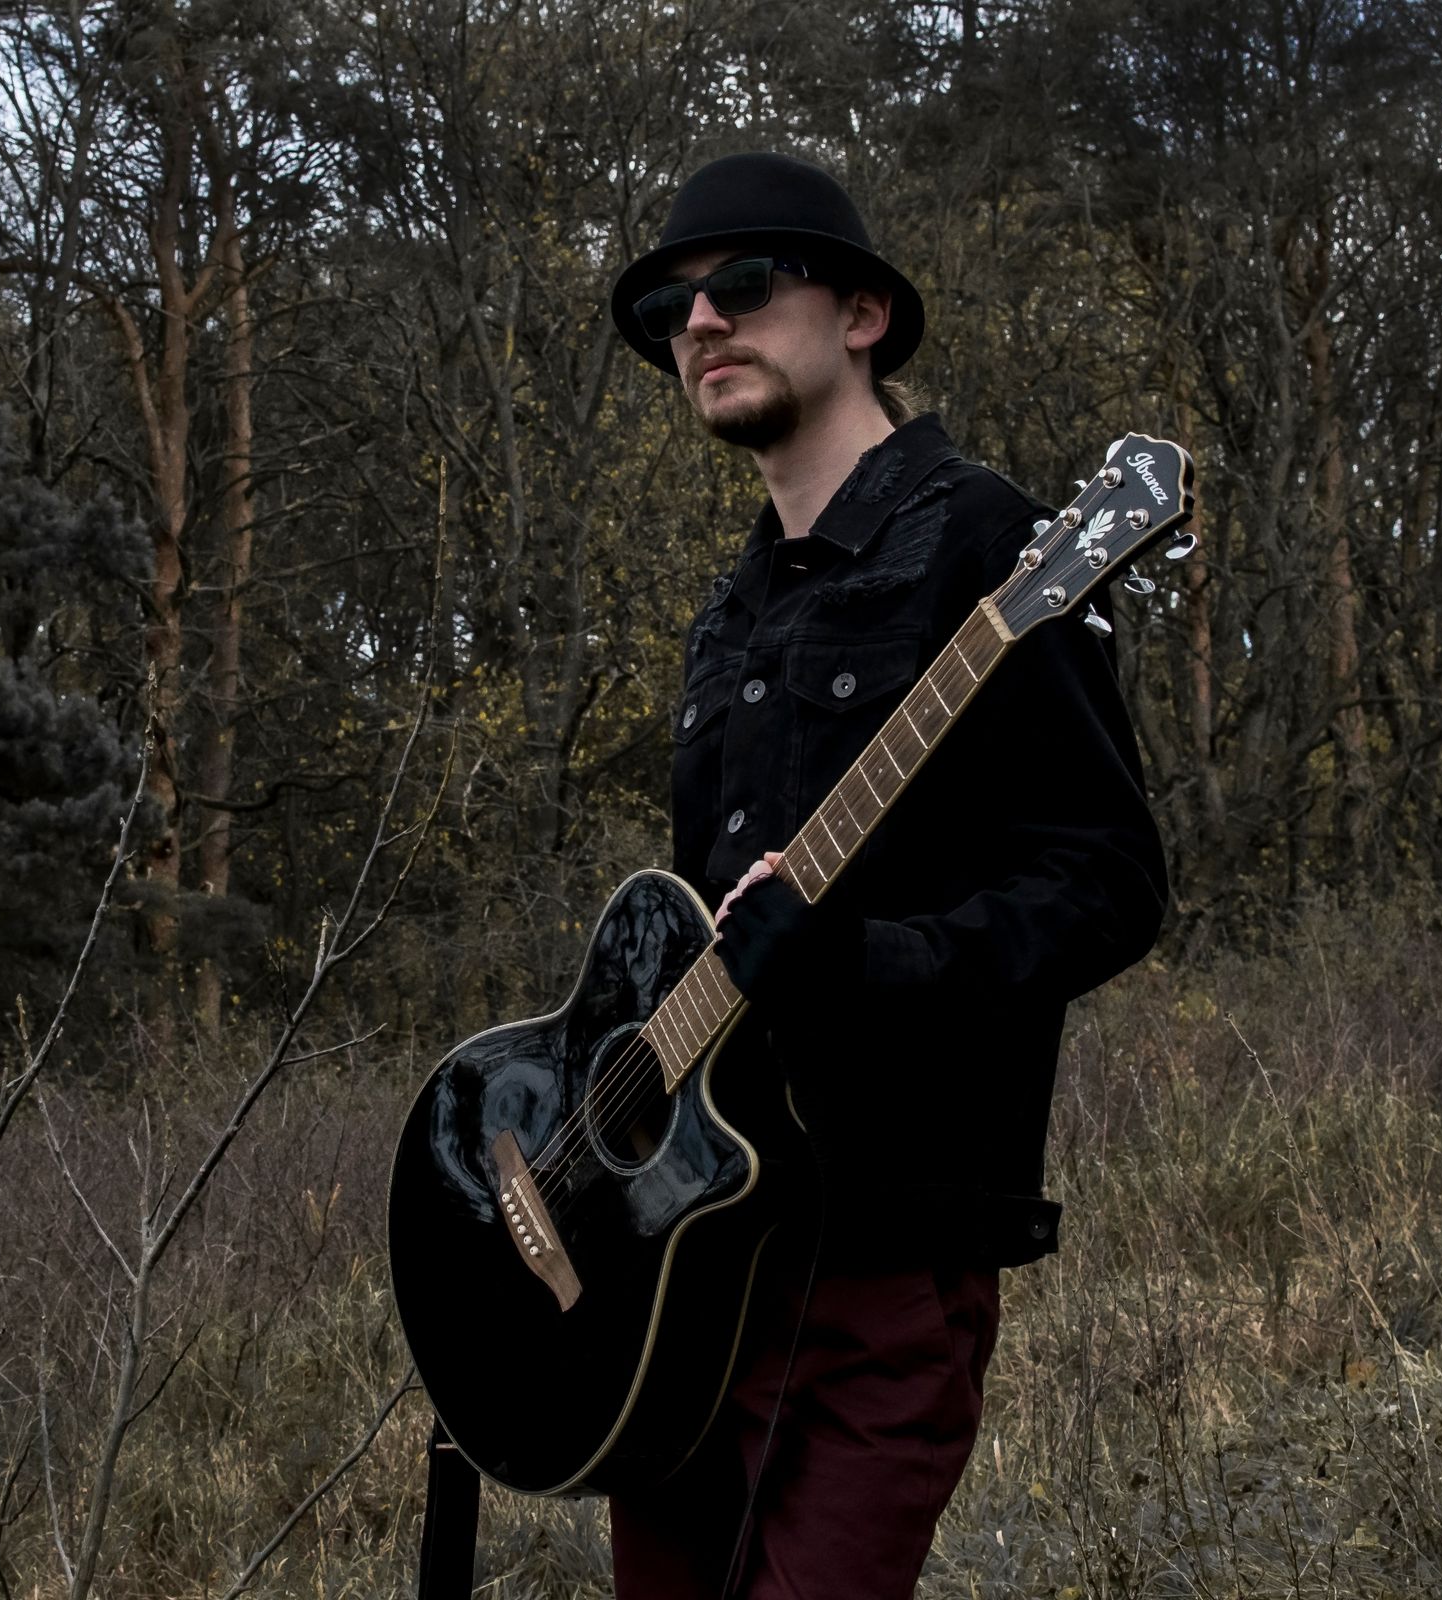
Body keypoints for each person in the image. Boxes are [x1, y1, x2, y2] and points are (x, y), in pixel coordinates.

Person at [605, 152, 1169, 1599]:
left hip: (880, 1261)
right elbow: (701, 939)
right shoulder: (730, 611)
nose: (700, 323)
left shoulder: (993, 549)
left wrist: (864, 961)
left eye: (742, 285)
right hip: (689, 1269)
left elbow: (1108, 879)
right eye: (673, 307)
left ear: (862, 315)